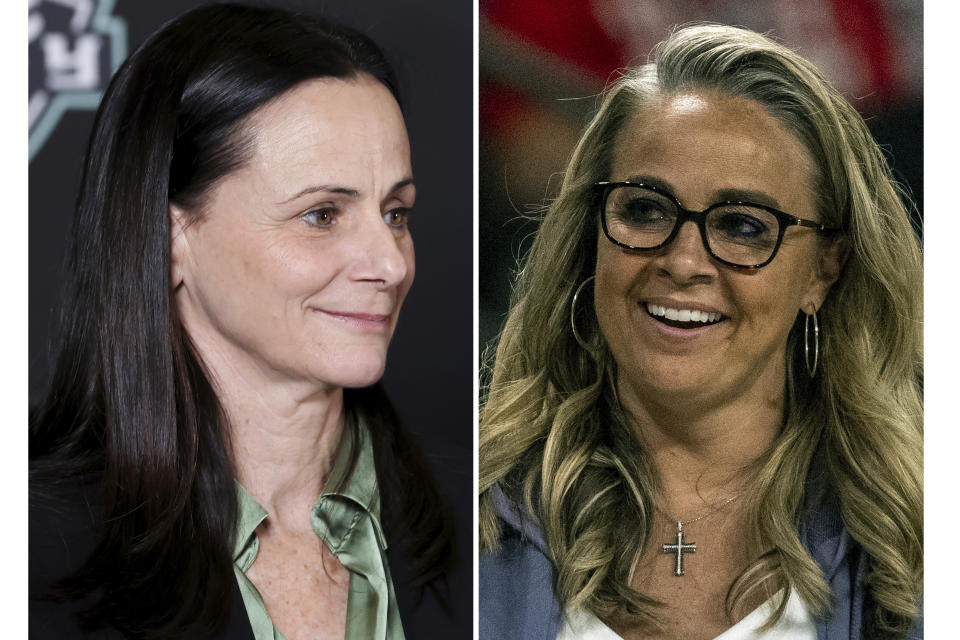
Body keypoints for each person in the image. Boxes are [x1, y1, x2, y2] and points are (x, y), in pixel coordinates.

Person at [479, 24, 922, 640]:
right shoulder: (451, 517)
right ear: (590, 236)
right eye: (644, 210)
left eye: (742, 225)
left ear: (824, 270)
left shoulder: (916, 539)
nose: (684, 261)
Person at [29, 4, 455, 639]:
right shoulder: (36, 556)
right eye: (323, 215)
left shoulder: (480, 521)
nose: (390, 264)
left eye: (395, 212)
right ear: (173, 237)